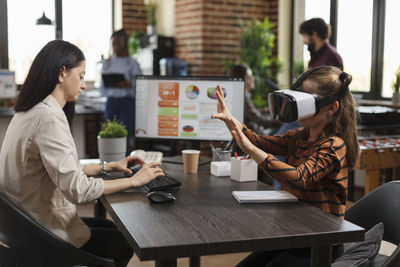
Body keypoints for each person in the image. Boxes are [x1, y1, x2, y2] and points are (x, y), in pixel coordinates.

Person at [0, 40, 164, 267]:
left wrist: (109, 166)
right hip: (43, 232)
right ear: (62, 73)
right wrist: (135, 180)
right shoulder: (48, 117)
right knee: (126, 240)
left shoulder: (28, 111)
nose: (84, 84)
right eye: (81, 75)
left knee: (116, 232)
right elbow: (78, 190)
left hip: (23, 228)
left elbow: (54, 170)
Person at [212, 66, 359, 266]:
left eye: (306, 99)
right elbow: (258, 141)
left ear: (331, 108)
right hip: (293, 235)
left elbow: (300, 178)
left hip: (320, 245)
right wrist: (231, 121)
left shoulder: (334, 146)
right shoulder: (299, 137)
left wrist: (250, 149)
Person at [99, 29, 142, 155]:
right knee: (110, 135)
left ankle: (125, 162)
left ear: (125, 43)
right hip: (111, 102)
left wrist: (129, 84)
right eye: (114, 43)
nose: (116, 46)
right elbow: (102, 86)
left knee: (125, 135)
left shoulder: (132, 63)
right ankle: (111, 162)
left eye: (118, 43)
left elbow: (139, 85)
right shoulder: (107, 63)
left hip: (127, 103)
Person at [228, 64, 282, 134]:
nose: (253, 78)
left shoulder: (237, 95)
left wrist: (263, 110)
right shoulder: (243, 97)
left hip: (255, 134)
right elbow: (261, 120)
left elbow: (249, 113)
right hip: (258, 137)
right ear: (241, 79)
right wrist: (280, 121)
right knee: (293, 124)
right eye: (249, 77)